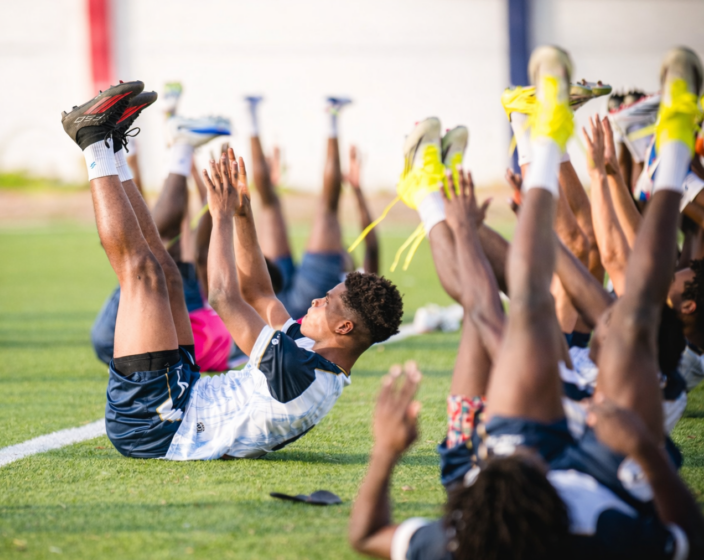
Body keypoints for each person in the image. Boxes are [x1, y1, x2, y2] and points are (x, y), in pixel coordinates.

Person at [349, 45, 704, 560]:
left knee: (509, 310)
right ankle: (656, 134)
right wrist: (648, 454)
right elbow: (692, 541)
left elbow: (365, 535)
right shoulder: (608, 536)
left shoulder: (468, 536)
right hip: (585, 474)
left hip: (494, 490)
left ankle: (511, 151)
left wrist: (384, 452)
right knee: (625, 314)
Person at [62, 81, 403, 460]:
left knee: (143, 275)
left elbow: (225, 297)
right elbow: (260, 293)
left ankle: (92, 140)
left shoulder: (300, 372)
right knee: (169, 274)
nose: (319, 299)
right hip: (182, 395)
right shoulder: (316, 358)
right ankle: (111, 145)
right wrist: (243, 212)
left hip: (153, 424)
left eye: (329, 302)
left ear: (345, 328)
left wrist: (220, 216)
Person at [89, 93, 236, 370]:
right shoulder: (232, 332)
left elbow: (197, 245)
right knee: (148, 237)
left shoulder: (229, 329)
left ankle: (157, 144)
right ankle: (165, 144)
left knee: (148, 237)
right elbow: (196, 244)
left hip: (134, 338)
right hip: (158, 329)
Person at [245, 96, 379, 320]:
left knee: (320, 206)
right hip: (304, 302)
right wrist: (357, 189)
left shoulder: (351, 282)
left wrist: (356, 189)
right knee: (275, 205)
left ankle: (252, 114)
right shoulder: (357, 287)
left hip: (287, 298)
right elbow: (372, 250)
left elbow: (372, 248)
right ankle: (252, 114)